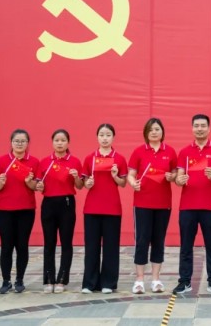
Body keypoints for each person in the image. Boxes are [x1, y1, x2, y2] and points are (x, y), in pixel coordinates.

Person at [173, 114, 211, 295]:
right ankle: (184, 282)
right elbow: (179, 177)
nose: (200, 129)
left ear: (209, 128)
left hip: (210, 207)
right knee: (186, 246)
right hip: (187, 207)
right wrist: (180, 180)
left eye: (203, 125)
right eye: (196, 125)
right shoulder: (185, 152)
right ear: (192, 128)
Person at [127, 118, 177, 294]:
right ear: (146, 133)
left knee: (158, 240)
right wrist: (133, 183)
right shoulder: (139, 151)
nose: (154, 132)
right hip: (142, 203)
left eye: (157, 129)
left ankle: (156, 279)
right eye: (151, 130)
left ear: (162, 132)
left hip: (163, 204)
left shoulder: (170, 151)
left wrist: (172, 177)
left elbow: (175, 173)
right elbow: (131, 174)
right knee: (142, 240)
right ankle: (139, 279)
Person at [80, 123, 128, 294]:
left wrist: (115, 176)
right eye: (101, 135)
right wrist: (88, 183)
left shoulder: (119, 158)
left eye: (108, 135)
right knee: (91, 247)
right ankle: (89, 283)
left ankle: (108, 283)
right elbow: (84, 182)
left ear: (113, 137)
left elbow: (123, 183)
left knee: (111, 247)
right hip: (92, 208)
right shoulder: (90, 158)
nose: (105, 138)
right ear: (97, 137)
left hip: (112, 208)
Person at [0, 129, 40, 294]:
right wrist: (0, 183)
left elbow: (36, 187)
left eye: (23, 141)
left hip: (26, 209)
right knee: (6, 246)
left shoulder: (33, 162)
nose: (19, 144)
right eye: (16, 141)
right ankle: (6, 281)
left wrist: (29, 182)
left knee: (22, 245)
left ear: (27, 143)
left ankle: (20, 280)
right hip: (5, 210)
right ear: (11, 143)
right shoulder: (2, 161)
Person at [36, 129, 83, 294]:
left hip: (67, 203)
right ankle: (49, 280)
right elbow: (38, 185)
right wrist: (38, 186)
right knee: (49, 243)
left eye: (63, 140)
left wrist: (76, 177)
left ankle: (62, 279)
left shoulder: (75, 161)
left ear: (68, 142)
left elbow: (79, 186)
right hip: (48, 203)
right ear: (52, 142)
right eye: (57, 140)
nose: (60, 143)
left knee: (66, 242)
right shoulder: (45, 162)